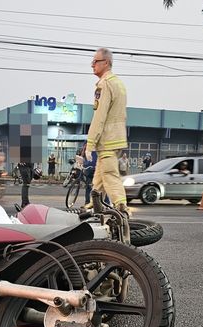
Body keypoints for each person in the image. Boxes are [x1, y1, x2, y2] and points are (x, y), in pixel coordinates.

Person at [84, 47, 130, 215]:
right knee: (100, 173)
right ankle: (93, 201)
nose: (92, 65)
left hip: (108, 139)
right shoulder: (119, 83)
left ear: (107, 63)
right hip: (117, 138)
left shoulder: (104, 85)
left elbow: (100, 116)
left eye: (95, 61)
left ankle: (121, 206)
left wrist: (90, 143)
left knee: (109, 173)